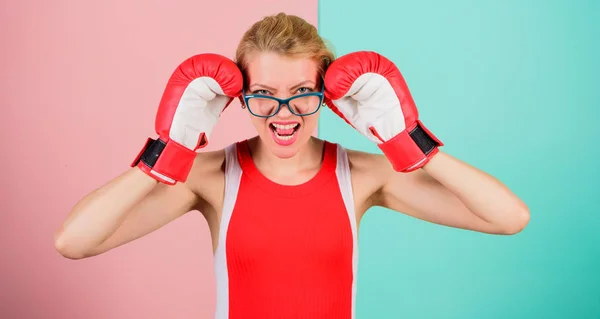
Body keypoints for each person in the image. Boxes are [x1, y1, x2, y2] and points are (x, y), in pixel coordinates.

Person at [54, 12, 530, 319]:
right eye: (264, 96)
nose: (284, 114)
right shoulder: (211, 176)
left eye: (302, 93)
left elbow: (509, 218)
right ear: (237, 97)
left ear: (328, 92)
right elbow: (74, 242)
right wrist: (168, 150)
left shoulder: (363, 175)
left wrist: (408, 139)